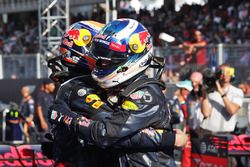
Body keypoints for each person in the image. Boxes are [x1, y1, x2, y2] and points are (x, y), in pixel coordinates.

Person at [48, 18, 187, 167]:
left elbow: (109, 132)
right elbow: (110, 132)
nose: (100, 57)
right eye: (98, 51)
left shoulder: (142, 92)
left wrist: (66, 118)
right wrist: (168, 138)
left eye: (106, 53)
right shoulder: (78, 88)